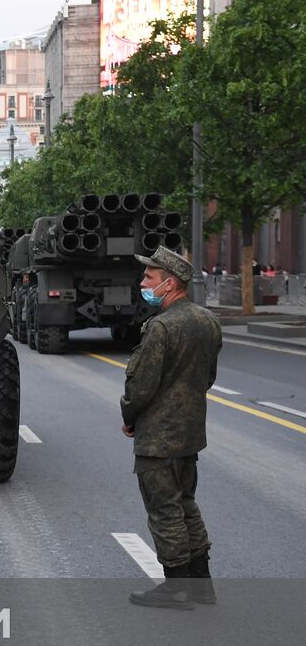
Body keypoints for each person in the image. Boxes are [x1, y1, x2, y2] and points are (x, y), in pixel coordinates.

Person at [120, 245, 223, 610]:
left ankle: (177, 586)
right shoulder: (207, 320)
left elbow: (141, 386)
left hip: (158, 436)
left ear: (169, 284)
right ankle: (201, 584)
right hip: (191, 432)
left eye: (149, 277)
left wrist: (129, 416)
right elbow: (207, 377)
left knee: (164, 509)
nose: (143, 282)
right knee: (186, 504)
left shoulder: (162, 326)